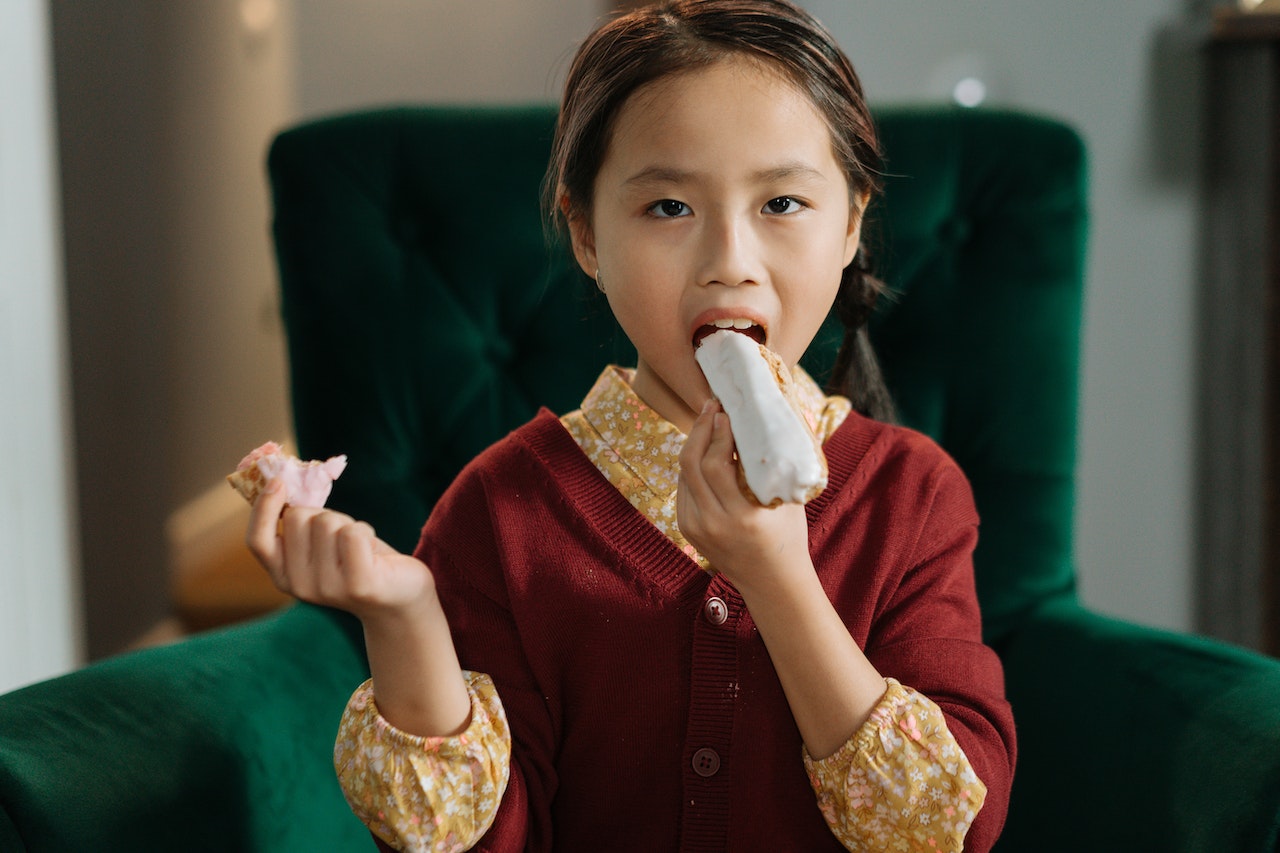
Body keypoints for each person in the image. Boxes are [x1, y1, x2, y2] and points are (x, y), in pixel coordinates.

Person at [247, 1, 1015, 850]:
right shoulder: (498, 514)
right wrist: (404, 617)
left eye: (782, 202)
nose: (729, 261)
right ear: (585, 234)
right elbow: (469, 837)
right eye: (669, 208)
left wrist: (778, 577)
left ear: (851, 224)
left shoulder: (914, 496)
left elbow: (949, 828)